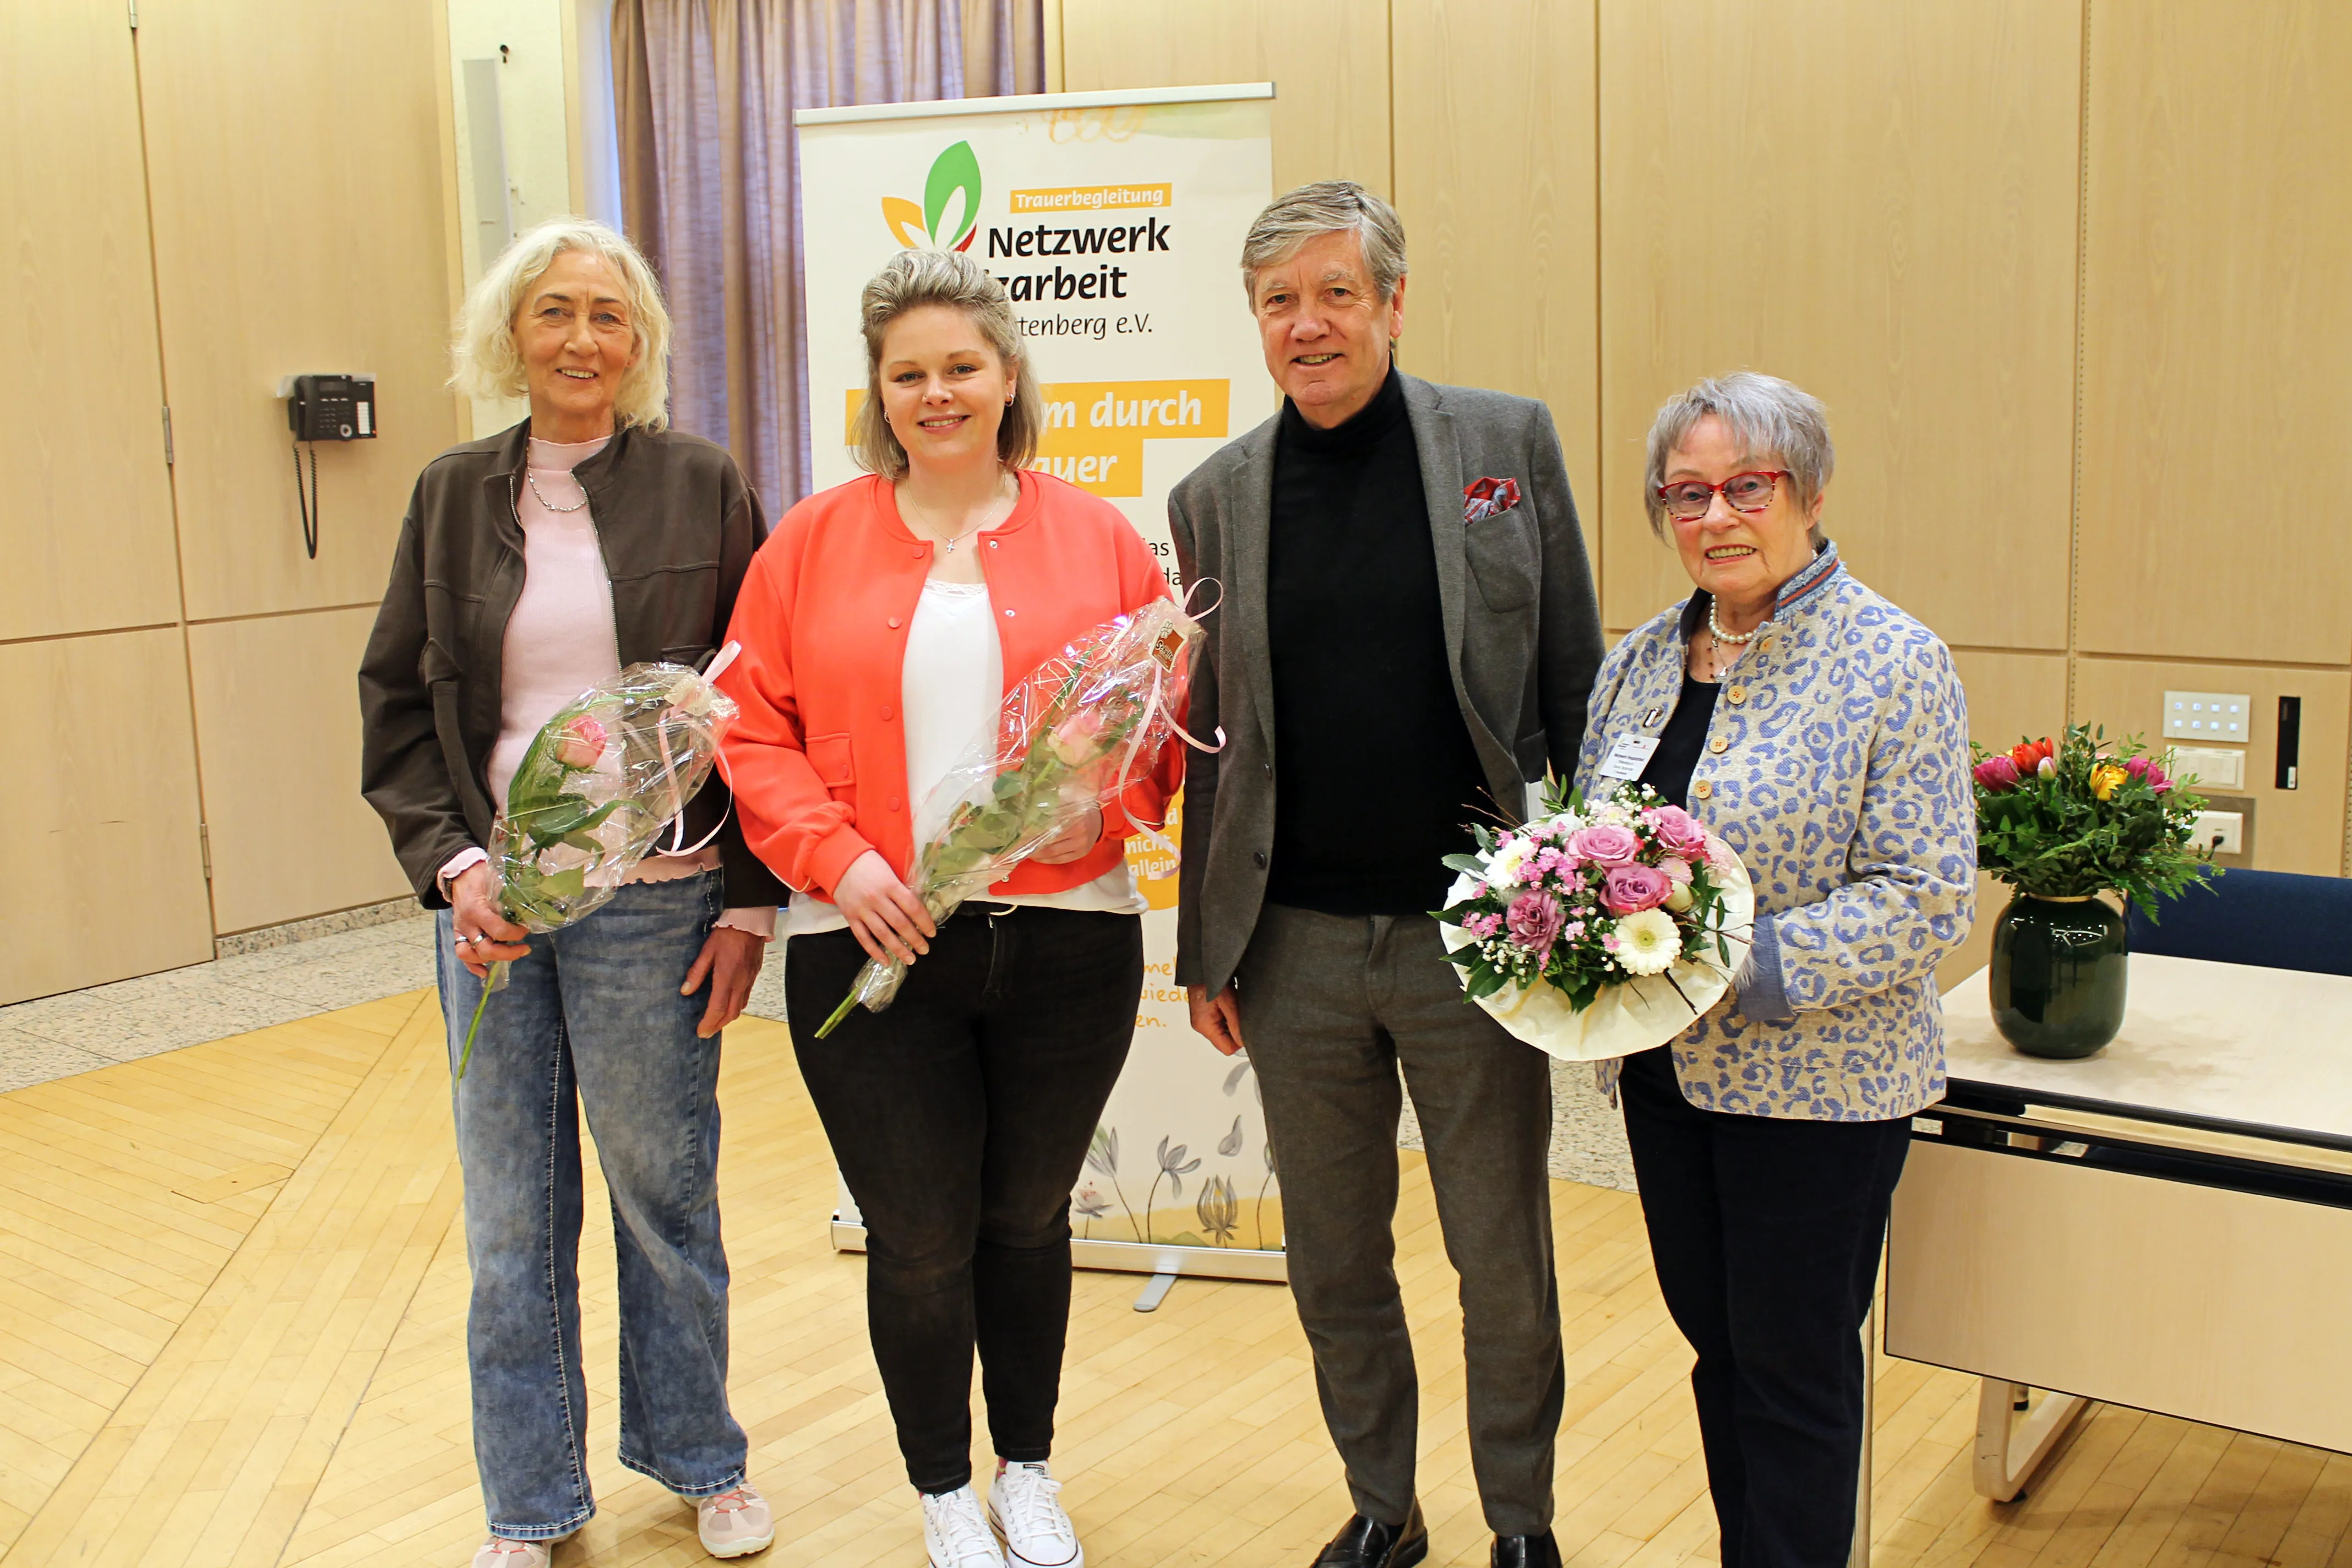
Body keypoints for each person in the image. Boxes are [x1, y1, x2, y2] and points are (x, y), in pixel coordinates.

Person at [718, 248, 1183, 1568]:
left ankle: (1026, 1468)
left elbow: (1159, 722)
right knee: (919, 1236)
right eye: (909, 373)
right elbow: (747, 726)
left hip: (1070, 940)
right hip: (871, 940)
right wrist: (837, 860)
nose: (938, 392)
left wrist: (1111, 801)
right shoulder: (809, 541)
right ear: (879, 392)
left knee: (1028, 1218)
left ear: (1009, 376)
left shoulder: (1099, 535)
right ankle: (939, 1488)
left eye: (962, 367)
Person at [1169, 181, 1604, 1568]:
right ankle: (1383, 1504)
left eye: (1336, 293)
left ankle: (1522, 1518)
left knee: (1501, 1251)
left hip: (1477, 931)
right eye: (1280, 301)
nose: (1309, 325)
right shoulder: (1212, 499)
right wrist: (1203, 949)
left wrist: (1594, 907)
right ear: (1256, 320)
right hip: (1292, 946)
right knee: (1336, 1254)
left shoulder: (1504, 445)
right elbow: (1210, 742)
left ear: (1394, 304)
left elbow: (1575, 681)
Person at [358, 217, 782, 1567]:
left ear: (638, 340)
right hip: (496, 909)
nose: (581, 338)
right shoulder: (448, 493)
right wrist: (456, 865)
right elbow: (397, 700)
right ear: (512, 334)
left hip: (657, 899)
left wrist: (749, 903)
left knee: (666, 1193)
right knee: (511, 1215)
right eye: (553, 311)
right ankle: (530, 1501)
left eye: (607, 314)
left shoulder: (701, 481)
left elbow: (760, 697)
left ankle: (701, 1457)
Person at [1578, 373, 1973, 1568]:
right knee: (1721, 1350)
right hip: (1666, 1076)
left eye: (1748, 486)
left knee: (1794, 1370)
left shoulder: (1893, 659)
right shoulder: (1640, 662)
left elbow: (1927, 893)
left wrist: (1727, 964)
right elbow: (1595, 844)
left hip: (1823, 1086)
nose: (1717, 516)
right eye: (1686, 493)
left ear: (1809, 492)